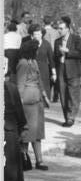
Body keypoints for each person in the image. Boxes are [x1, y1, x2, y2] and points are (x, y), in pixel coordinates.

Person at [16, 38, 50, 171]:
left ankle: (39, 160)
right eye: (36, 50)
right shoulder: (23, 63)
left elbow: (40, 80)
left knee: (38, 132)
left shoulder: (34, 62)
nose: (37, 52)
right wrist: (19, 101)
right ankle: (24, 159)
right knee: (26, 132)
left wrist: (45, 96)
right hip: (27, 102)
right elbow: (20, 83)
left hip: (37, 101)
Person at [53, 15, 81, 127]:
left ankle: (71, 117)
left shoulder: (76, 38)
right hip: (61, 68)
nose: (59, 30)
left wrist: (68, 51)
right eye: (58, 28)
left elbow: (80, 53)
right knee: (63, 94)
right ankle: (67, 117)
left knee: (73, 94)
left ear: (67, 29)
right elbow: (55, 57)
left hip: (73, 69)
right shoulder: (57, 41)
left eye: (61, 28)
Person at [4, 77, 27, 181]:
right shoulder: (11, 87)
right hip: (10, 129)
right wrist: (23, 126)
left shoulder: (11, 87)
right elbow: (19, 110)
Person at [29, 24, 55, 98]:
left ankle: (46, 103)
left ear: (42, 34)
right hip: (32, 69)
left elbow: (51, 59)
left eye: (38, 34)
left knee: (45, 89)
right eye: (35, 34)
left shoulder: (47, 44)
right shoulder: (28, 44)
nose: (37, 36)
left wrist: (54, 73)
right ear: (32, 35)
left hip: (44, 70)